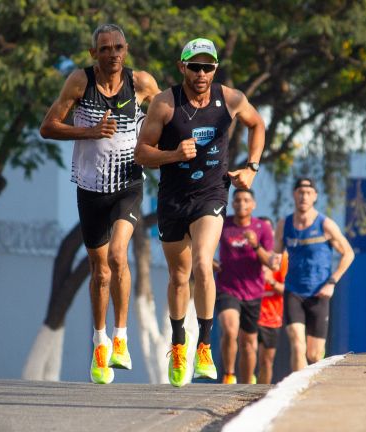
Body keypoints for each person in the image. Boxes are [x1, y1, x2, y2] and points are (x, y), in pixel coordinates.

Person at [135, 38, 266, 387]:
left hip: (212, 193)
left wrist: (252, 166)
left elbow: (258, 125)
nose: (202, 73)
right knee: (179, 276)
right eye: (195, 66)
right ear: (183, 68)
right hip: (174, 198)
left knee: (203, 263)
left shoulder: (231, 98)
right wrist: (174, 154)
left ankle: (204, 346)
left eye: (208, 67)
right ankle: (180, 343)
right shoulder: (164, 104)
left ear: (215, 69)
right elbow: (142, 153)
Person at [39, 23, 160, 384]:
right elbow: (48, 127)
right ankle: (100, 342)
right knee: (100, 270)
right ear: (94, 54)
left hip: (128, 184)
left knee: (118, 256)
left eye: (118, 47)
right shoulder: (80, 82)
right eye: (104, 48)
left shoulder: (141, 83)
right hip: (90, 189)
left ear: (126, 49)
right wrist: (88, 132)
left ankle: (121, 338)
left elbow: (167, 116)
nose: (112, 54)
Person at [272, 177, 355, 371]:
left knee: (314, 354)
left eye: (308, 193)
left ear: (315, 196)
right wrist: (267, 257)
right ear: (294, 195)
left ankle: (313, 392)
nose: (304, 197)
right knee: (297, 344)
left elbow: (348, 253)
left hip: (319, 292)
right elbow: (276, 255)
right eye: (300, 192)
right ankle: (297, 393)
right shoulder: (284, 224)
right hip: (293, 291)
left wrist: (332, 282)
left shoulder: (325, 224)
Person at [214, 189, 273, 384]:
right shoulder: (223, 224)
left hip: (253, 292)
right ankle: (229, 375)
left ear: (253, 204)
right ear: (232, 203)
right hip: (227, 288)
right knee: (230, 330)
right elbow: (203, 245)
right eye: (237, 200)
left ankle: (246, 386)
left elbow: (270, 262)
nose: (241, 203)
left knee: (249, 344)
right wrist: (211, 262)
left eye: (246, 200)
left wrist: (256, 245)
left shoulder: (262, 227)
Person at [256, 216, 288, 385]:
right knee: (247, 353)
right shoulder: (248, 253)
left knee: (266, 361)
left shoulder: (282, 259)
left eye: (268, 231)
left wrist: (271, 281)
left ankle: (261, 394)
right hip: (249, 312)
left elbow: (288, 290)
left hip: (271, 317)